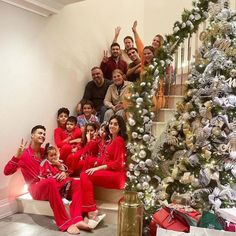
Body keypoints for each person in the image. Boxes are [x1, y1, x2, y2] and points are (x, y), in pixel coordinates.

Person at [3, 125, 91, 234]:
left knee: (77, 183)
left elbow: (59, 164)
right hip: (37, 188)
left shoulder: (45, 152)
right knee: (50, 182)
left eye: (44, 134)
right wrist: (17, 156)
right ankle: (65, 223)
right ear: (32, 135)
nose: (43, 135)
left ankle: (77, 218)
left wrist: (63, 171)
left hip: (54, 184)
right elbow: (7, 172)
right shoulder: (24, 154)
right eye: (40, 133)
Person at [80, 115, 127, 223]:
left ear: (120, 127)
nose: (112, 126)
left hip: (117, 175)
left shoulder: (118, 140)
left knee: (85, 175)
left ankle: (91, 209)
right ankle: (87, 207)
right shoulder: (112, 140)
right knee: (86, 170)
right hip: (111, 172)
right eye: (111, 123)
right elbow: (106, 159)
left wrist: (98, 168)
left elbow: (118, 164)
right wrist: (96, 165)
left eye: (115, 124)